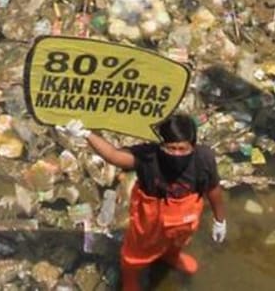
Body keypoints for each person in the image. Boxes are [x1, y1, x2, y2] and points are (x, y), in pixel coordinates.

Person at [59, 114, 226, 291]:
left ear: (193, 145)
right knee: (135, 253)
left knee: (179, 241)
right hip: (149, 221)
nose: (176, 154)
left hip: (185, 220)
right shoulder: (149, 156)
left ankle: (171, 255)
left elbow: (213, 188)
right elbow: (114, 156)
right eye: (170, 148)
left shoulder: (204, 157)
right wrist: (86, 134)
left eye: (182, 149)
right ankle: (130, 276)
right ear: (161, 144)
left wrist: (220, 220)